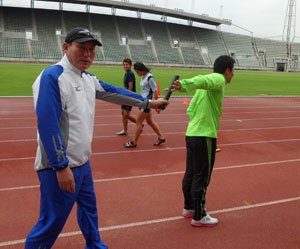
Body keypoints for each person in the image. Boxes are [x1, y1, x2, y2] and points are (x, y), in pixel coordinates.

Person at [25, 27, 168, 249]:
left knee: (89, 211)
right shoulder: (53, 77)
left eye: (91, 50)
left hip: (83, 164)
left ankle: (95, 245)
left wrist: (148, 103)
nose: (87, 54)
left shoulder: (87, 79)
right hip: (60, 168)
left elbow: (115, 92)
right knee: (51, 224)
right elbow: (47, 124)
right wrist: (61, 166)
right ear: (66, 47)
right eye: (81, 48)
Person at [170, 55, 235, 227]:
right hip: (204, 135)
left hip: (191, 133)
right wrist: (183, 84)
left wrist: (183, 87)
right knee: (202, 176)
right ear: (227, 70)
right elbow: (203, 79)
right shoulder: (219, 79)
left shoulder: (202, 89)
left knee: (191, 173)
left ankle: (189, 207)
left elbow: (191, 109)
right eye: (232, 71)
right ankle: (199, 215)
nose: (232, 75)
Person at [123, 62, 165, 148]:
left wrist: (157, 105)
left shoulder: (150, 77)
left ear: (141, 70)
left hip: (146, 103)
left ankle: (134, 142)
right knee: (150, 121)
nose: (137, 74)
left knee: (138, 122)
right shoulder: (143, 76)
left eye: (137, 72)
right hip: (143, 102)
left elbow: (155, 92)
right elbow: (144, 89)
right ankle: (161, 137)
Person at [116, 58, 138, 136]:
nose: (125, 66)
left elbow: (131, 87)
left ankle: (139, 123)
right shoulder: (127, 73)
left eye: (127, 65)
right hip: (125, 95)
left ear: (130, 65)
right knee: (123, 113)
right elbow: (126, 86)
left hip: (129, 96)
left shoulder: (130, 74)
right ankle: (125, 130)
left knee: (126, 115)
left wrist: (126, 95)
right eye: (124, 65)